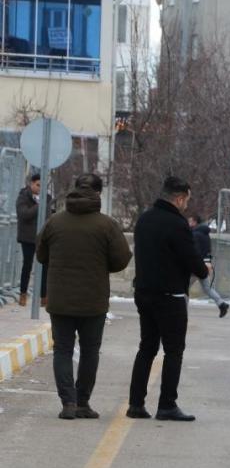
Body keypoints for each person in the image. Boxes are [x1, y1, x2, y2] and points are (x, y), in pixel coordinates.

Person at [35, 174, 132, 420]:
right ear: (98, 194)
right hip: (93, 301)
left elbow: (41, 255)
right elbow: (122, 259)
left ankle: (67, 403)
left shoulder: (54, 222)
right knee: (90, 351)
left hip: (60, 300)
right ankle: (82, 402)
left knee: (63, 350)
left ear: (74, 190)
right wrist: (100, 265)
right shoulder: (106, 225)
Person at [128, 177, 210, 422]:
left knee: (147, 348)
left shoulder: (144, 219)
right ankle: (167, 405)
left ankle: (136, 403)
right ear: (180, 197)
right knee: (173, 351)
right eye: (187, 199)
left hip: (143, 292)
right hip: (170, 296)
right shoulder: (177, 224)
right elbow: (191, 258)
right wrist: (205, 270)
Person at [16, 173, 51, 307]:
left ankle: (44, 296)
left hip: (42, 238)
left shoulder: (47, 198)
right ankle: (23, 294)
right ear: (32, 184)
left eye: (43, 186)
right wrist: (39, 206)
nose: (40, 188)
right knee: (27, 265)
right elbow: (24, 214)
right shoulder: (24, 196)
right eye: (38, 185)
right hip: (28, 237)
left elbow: (48, 216)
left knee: (45, 266)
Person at [188, 215, 229, 318]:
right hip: (204, 265)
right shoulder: (205, 235)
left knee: (184, 288)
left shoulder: (195, 234)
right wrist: (208, 263)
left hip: (195, 266)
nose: (188, 223)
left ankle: (182, 310)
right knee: (207, 288)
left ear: (195, 222)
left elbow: (194, 252)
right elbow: (208, 251)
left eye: (190, 221)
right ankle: (221, 304)